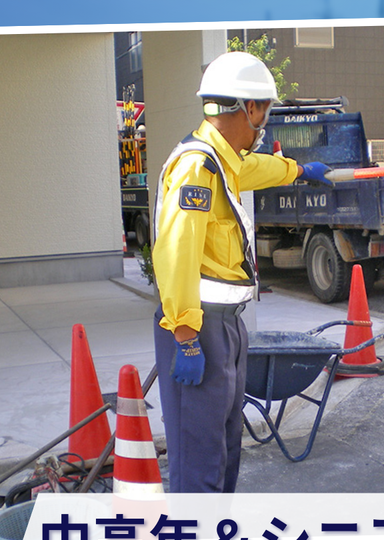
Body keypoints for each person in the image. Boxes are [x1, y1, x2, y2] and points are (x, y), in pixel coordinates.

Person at [151, 51, 332, 493]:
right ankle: (195, 536)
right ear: (249, 107)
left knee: (225, 448)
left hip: (226, 326)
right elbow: (175, 253)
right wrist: (185, 336)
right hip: (198, 329)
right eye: (265, 111)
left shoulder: (224, 160)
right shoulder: (197, 167)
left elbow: (255, 168)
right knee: (200, 456)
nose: (263, 123)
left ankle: (218, 532)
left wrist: (298, 170)